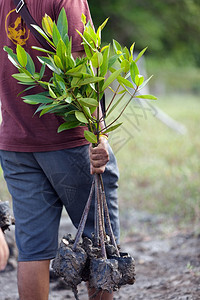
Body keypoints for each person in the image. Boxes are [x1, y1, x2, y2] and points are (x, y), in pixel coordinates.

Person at [0, 1, 120, 299]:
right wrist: (99, 133)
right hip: (71, 144)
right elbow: (81, 66)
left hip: (15, 145)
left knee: (32, 251)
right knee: (99, 244)